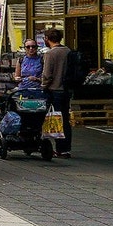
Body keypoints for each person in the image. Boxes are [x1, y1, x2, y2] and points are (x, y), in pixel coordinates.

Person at [40, 28, 73, 158]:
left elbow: (47, 74)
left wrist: (43, 86)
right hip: (66, 90)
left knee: (53, 119)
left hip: (54, 90)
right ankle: (65, 149)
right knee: (65, 119)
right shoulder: (68, 51)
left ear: (47, 39)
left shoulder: (50, 54)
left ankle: (56, 147)